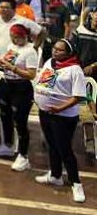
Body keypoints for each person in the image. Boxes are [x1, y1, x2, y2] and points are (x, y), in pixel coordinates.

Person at [33, 39, 87, 203]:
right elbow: (47, 84)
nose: (55, 52)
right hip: (46, 113)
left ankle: (76, 183)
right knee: (52, 145)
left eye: (60, 50)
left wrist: (59, 108)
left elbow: (78, 96)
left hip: (63, 116)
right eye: (55, 49)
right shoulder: (51, 62)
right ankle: (56, 175)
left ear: (69, 52)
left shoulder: (75, 70)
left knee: (65, 149)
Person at [0, 24, 38, 171]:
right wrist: (1, 63)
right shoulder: (12, 46)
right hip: (6, 84)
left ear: (24, 36)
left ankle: (23, 156)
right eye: (12, 38)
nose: (14, 40)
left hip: (21, 88)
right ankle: (8, 145)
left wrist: (13, 68)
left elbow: (31, 75)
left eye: (17, 38)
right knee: (5, 115)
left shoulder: (30, 51)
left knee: (20, 121)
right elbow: (9, 61)